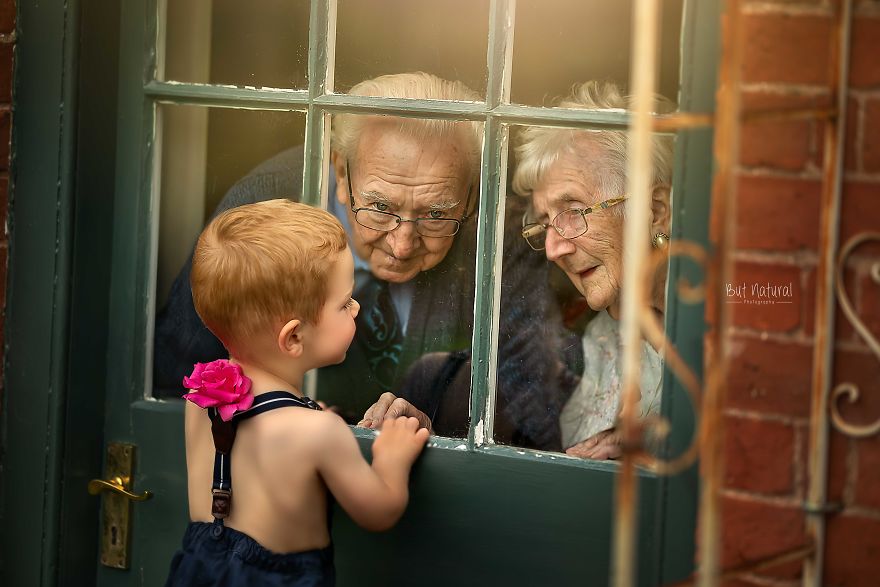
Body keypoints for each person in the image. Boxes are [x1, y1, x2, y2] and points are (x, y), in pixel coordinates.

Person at [154, 72, 579, 451]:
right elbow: (178, 383)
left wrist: (441, 432)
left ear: (472, 196)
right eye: (379, 207)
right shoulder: (260, 210)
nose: (402, 244)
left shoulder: (502, 238)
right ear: (341, 174)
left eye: (436, 214)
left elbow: (533, 408)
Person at [165, 200, 429, 586]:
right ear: (293, 337)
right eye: (344, 303)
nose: (356, 308)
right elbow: (379, 512)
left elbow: (259, 449)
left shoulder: (204, 398)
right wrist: (392, 458)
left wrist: (306, 410)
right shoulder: (318, 433)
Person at [513, 80, 674, 460]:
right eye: (545, 223)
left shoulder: (746, 309)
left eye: (573, 212)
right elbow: (576, 462)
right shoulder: (605, 337)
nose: (553, 249)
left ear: (656, 210)